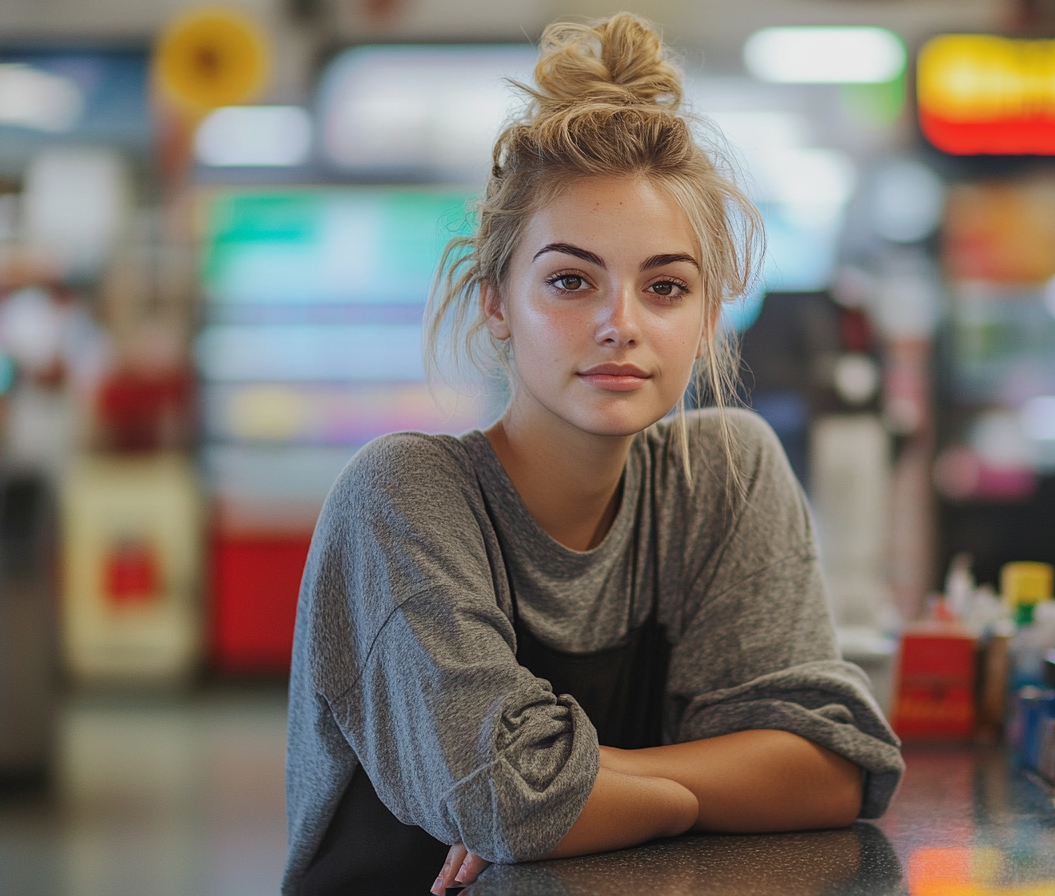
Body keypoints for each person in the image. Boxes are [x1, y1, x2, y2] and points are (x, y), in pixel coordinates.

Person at [283, 13, 905, 896]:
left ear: (707, 318)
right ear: (497, 300)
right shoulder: (405, 494)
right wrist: (696, 784)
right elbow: (505, 805)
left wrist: (593, 789)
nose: (622, 322)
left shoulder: (725, 474)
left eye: (665, 286)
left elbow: (836, 765)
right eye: (571, 281)